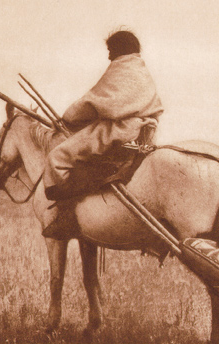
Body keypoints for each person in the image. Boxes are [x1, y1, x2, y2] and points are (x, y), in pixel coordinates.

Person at [42, 30, 164, 239]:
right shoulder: (141, 69)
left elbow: (93, 102)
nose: (109, 56)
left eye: (110, 50)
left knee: (58, 158)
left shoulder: (121, 68)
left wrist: (67, 118)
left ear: (119, 49)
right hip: (144, 138)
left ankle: (67, 217)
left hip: (123, 133)